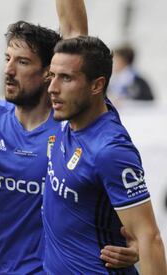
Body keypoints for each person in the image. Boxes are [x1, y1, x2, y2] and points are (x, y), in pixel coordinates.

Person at [0, 1, 139, 273]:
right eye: (7, 59)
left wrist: (140, 243)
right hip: (4, 268)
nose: (8, 70)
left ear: (47, 74)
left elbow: (76, 32)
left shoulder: (75, 123)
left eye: (22, 62)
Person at [44, 35, 166, 274]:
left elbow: (150, 239)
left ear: (97, 86)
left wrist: (138, 245)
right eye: (52, 76)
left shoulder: (109, 150)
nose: (52, 88)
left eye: (66, 78)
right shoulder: (73, 113)